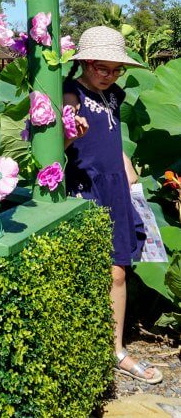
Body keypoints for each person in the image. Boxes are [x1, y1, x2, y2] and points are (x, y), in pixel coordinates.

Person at [63, 25, 162, 384]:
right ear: (85, 63)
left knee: (119, 268)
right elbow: (57, 148)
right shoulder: (70, 92)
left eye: (115, 69)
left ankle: (116, 350)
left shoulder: (115, 96)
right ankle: (86, 345)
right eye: (101, 68)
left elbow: (110, 134)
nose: (109, 76)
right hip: (84, 189)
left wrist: (124, 160)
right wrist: (70, 132)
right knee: (92, 271)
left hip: (116, 189)